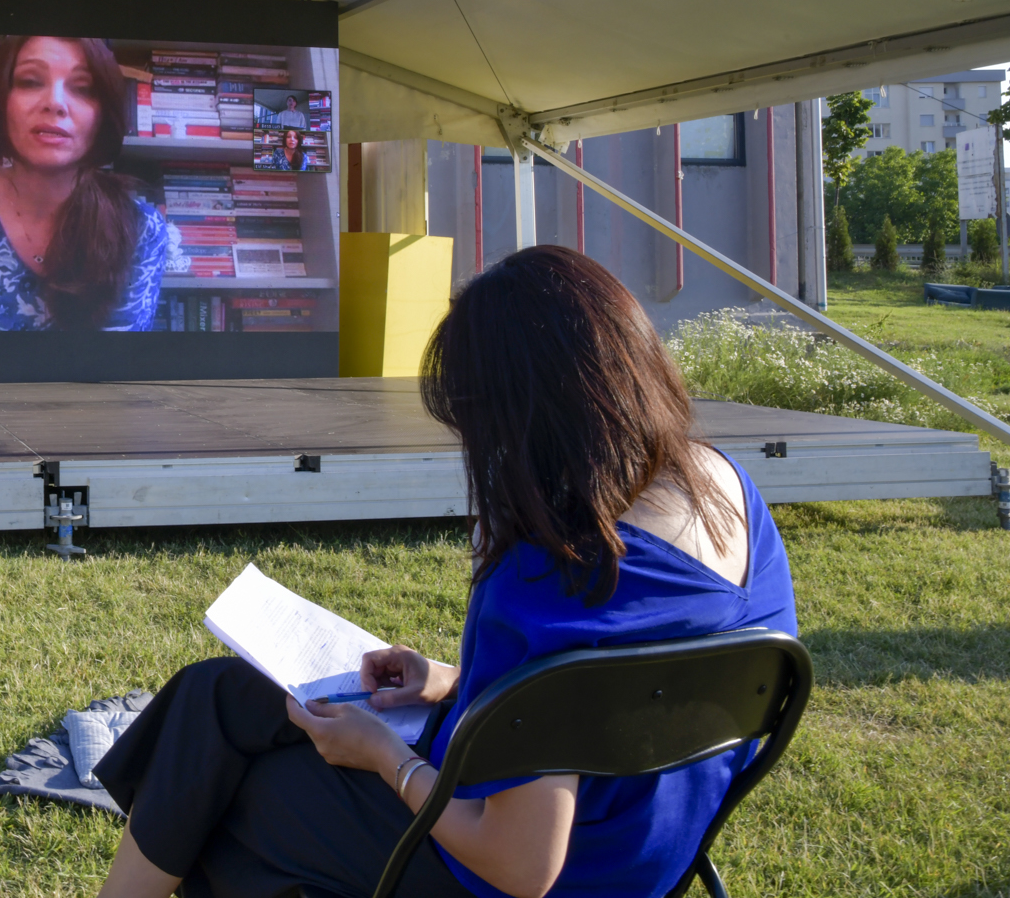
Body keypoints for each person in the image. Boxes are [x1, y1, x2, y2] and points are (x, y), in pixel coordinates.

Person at [94, 245, 796, 898]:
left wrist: (385, 758)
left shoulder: (550, 575)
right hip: (643, 853)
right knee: (220, 692)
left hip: (532, 872)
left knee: (236, 799)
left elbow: (523, 863)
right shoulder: (729, 494)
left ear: (523, 423)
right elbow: (621, 694)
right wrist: (458, 682)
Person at [0, 36, 171, 330]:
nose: (55, 103)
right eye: (30, 81)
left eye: (83, 88)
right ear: (2, 102)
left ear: (103, 115)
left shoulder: (140, 227)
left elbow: (117, 367)